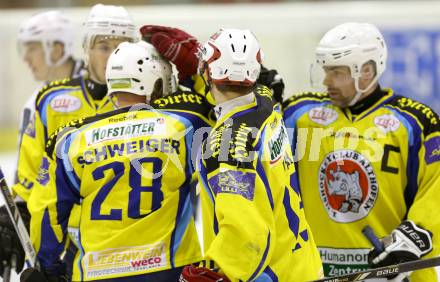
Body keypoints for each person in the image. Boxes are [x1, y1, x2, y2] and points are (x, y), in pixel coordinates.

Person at [28, 40, 213, 281]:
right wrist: (195, 74)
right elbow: (223, 108)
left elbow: (47, 211)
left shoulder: (71, 140)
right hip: (168, 269)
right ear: (156, 83)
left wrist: (48, 267)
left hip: (97, 273)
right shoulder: (186, 124)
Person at [282, 22, 440, 281]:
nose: (326, 81)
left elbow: (437, 186)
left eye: (337, 73)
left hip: (395, 273)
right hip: (317, 271)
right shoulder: (298, 114)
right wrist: (261, 98)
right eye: (325, 71)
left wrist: (416, 236)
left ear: (366, 71)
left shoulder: (415, 122)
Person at [0, 4, 138, 278]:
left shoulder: (149, 104)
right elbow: (29, 182)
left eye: (122, 46)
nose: (113, 56)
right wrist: (12, 219)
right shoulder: (51, 101)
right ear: (86, 49)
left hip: (130, 253)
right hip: (63, 248)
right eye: (103, 46)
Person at [183, 28, 323, 282]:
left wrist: (220, 272)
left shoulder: (225, 147)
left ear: (207, 72)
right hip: (301, 263)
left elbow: (248, 234)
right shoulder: (264, 101)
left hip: (270, 274)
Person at [16, 10, 85, 180]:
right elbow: (25, 173)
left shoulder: (98, 90)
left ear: (56, 50)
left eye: (32, 49)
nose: (26, 58)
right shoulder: (34, 104)